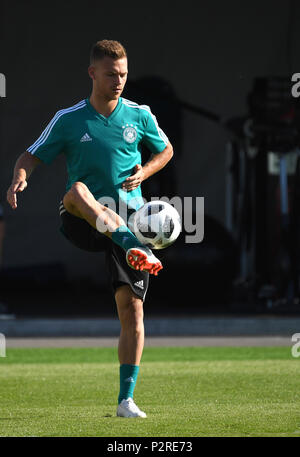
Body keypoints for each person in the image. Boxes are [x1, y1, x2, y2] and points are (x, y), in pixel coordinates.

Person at [6, 40, 173, 418]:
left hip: (126, 217)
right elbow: (30, 155)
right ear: (92, 73)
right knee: (78, 191)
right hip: (82, 218)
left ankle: (125, 401)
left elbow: (166, 150)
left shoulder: (139, 114)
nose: (119, 81)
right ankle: (135, 246)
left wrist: (145, 171)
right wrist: (20, 177)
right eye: (112, 74)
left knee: (132, 311)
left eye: (124, 74)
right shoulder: (69, 118)